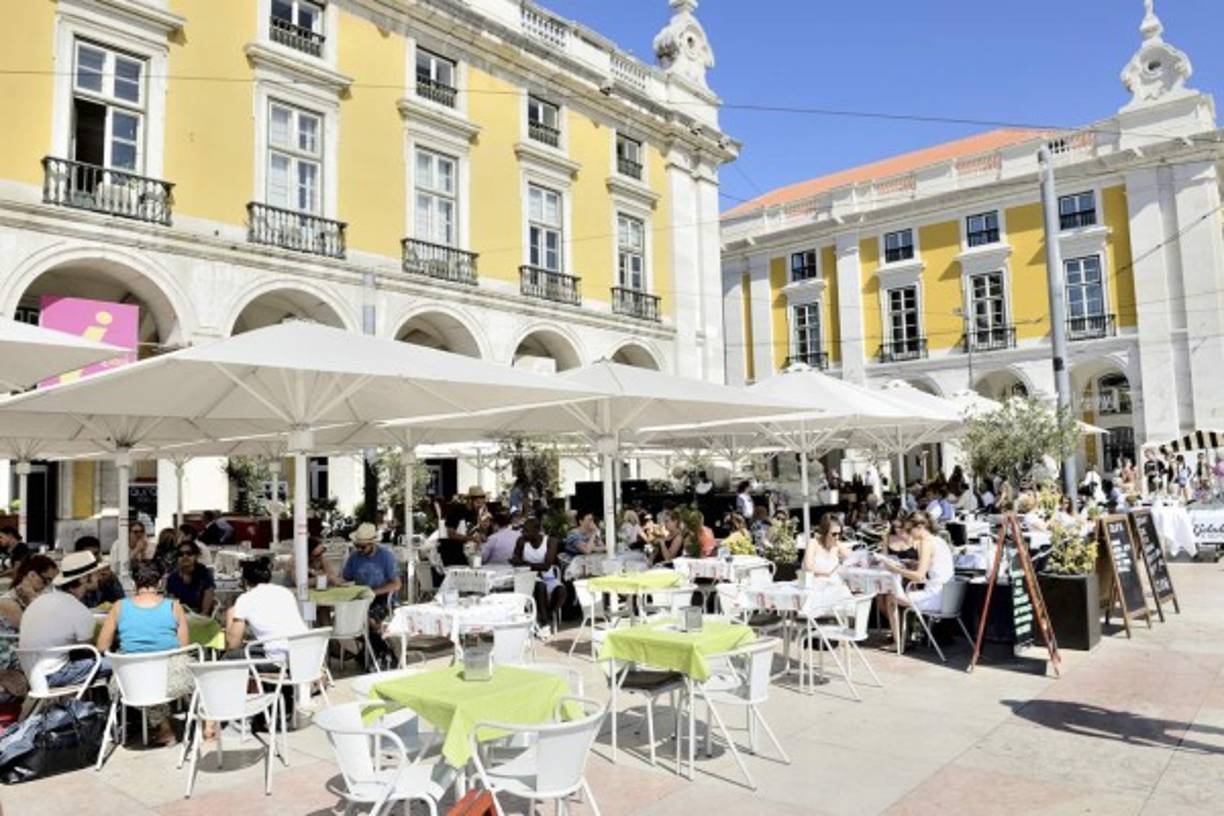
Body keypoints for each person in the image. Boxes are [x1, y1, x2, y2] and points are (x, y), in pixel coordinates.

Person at [96, 560, 190, 745]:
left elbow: (101, 646)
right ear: (161, 582)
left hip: (130, 683)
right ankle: (202, 724)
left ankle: (163, 726)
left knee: (142, 673)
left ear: (133, 582)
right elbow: (183, 646)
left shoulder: (119, 607)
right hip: (170, 680)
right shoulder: (173, 606)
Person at [19, 551, 111, 689]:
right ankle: (107, 708)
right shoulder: (79, 611)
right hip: (54, 674)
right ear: (84, 579)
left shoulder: (41, 600)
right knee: (116, 663)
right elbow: (87, 651)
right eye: (96, 573)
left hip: (31, 673)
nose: (99, 577)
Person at [879, 512, 955, 651]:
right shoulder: (939, 540)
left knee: (890, 598)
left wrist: (895, 569)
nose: (908, 533)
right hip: (949, 596)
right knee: (902, 594)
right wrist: (913, 563)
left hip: (936, 597)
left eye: (909, 529)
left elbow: (919, 576)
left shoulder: (926, 543)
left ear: (920, 527)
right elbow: (931, 566)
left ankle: (899, 643)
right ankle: (904, 638)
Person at [342, 523, 401, 667]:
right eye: (357, 546)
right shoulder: (354, 557)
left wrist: (372, 592)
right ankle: (382, 652)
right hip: (360, 598)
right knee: (345, 621)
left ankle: (374, 654)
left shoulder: (386, 556)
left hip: (383, 598)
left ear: (372, 544)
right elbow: (345, 578)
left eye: (363, 547)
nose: (360, 550)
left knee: (367, 620)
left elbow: (396, 584)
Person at [225, 557, 307, 660]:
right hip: (305, 652)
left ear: (245, 581)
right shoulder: (285, 592)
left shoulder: (245, 599)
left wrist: (230, 616)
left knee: (228, 657)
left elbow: (233, 644)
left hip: (280, 658)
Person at [0, 555, 57, 699]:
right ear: (31, 575)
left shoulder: (25, 599)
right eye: (46, 580)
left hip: (28, 655)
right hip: (13, 662)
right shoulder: (8, 603)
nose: (47, 586)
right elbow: (39, 630)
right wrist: (32, 597)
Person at [510, 517, 565, 635]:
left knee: (561, 591)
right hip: (530, 578)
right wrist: (532, 566)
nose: (523, 533)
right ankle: (544, 623)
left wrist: (526, 564)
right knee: (540, 587)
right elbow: (515, 560)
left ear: (536, 531)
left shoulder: (550, 541)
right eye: (523, 531)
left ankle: (547, 615)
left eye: (527, 531)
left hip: (549, 577)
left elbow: (546, 566)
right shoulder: (521, 541)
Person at [165, 540, 216, 616]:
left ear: (196, 556)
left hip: (200, 618)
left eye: (189, 553)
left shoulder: (205, 575)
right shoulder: (172, 578)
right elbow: (171, 604)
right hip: (180, 616)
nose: (185, 557)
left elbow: (205, 610)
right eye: (181, 554)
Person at [75, 536, 126, 608]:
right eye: (90, 555)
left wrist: (112, 581)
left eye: (96, 553)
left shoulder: (105, 573)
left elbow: (122, 601)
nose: (94, 558)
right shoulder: (74, 577)